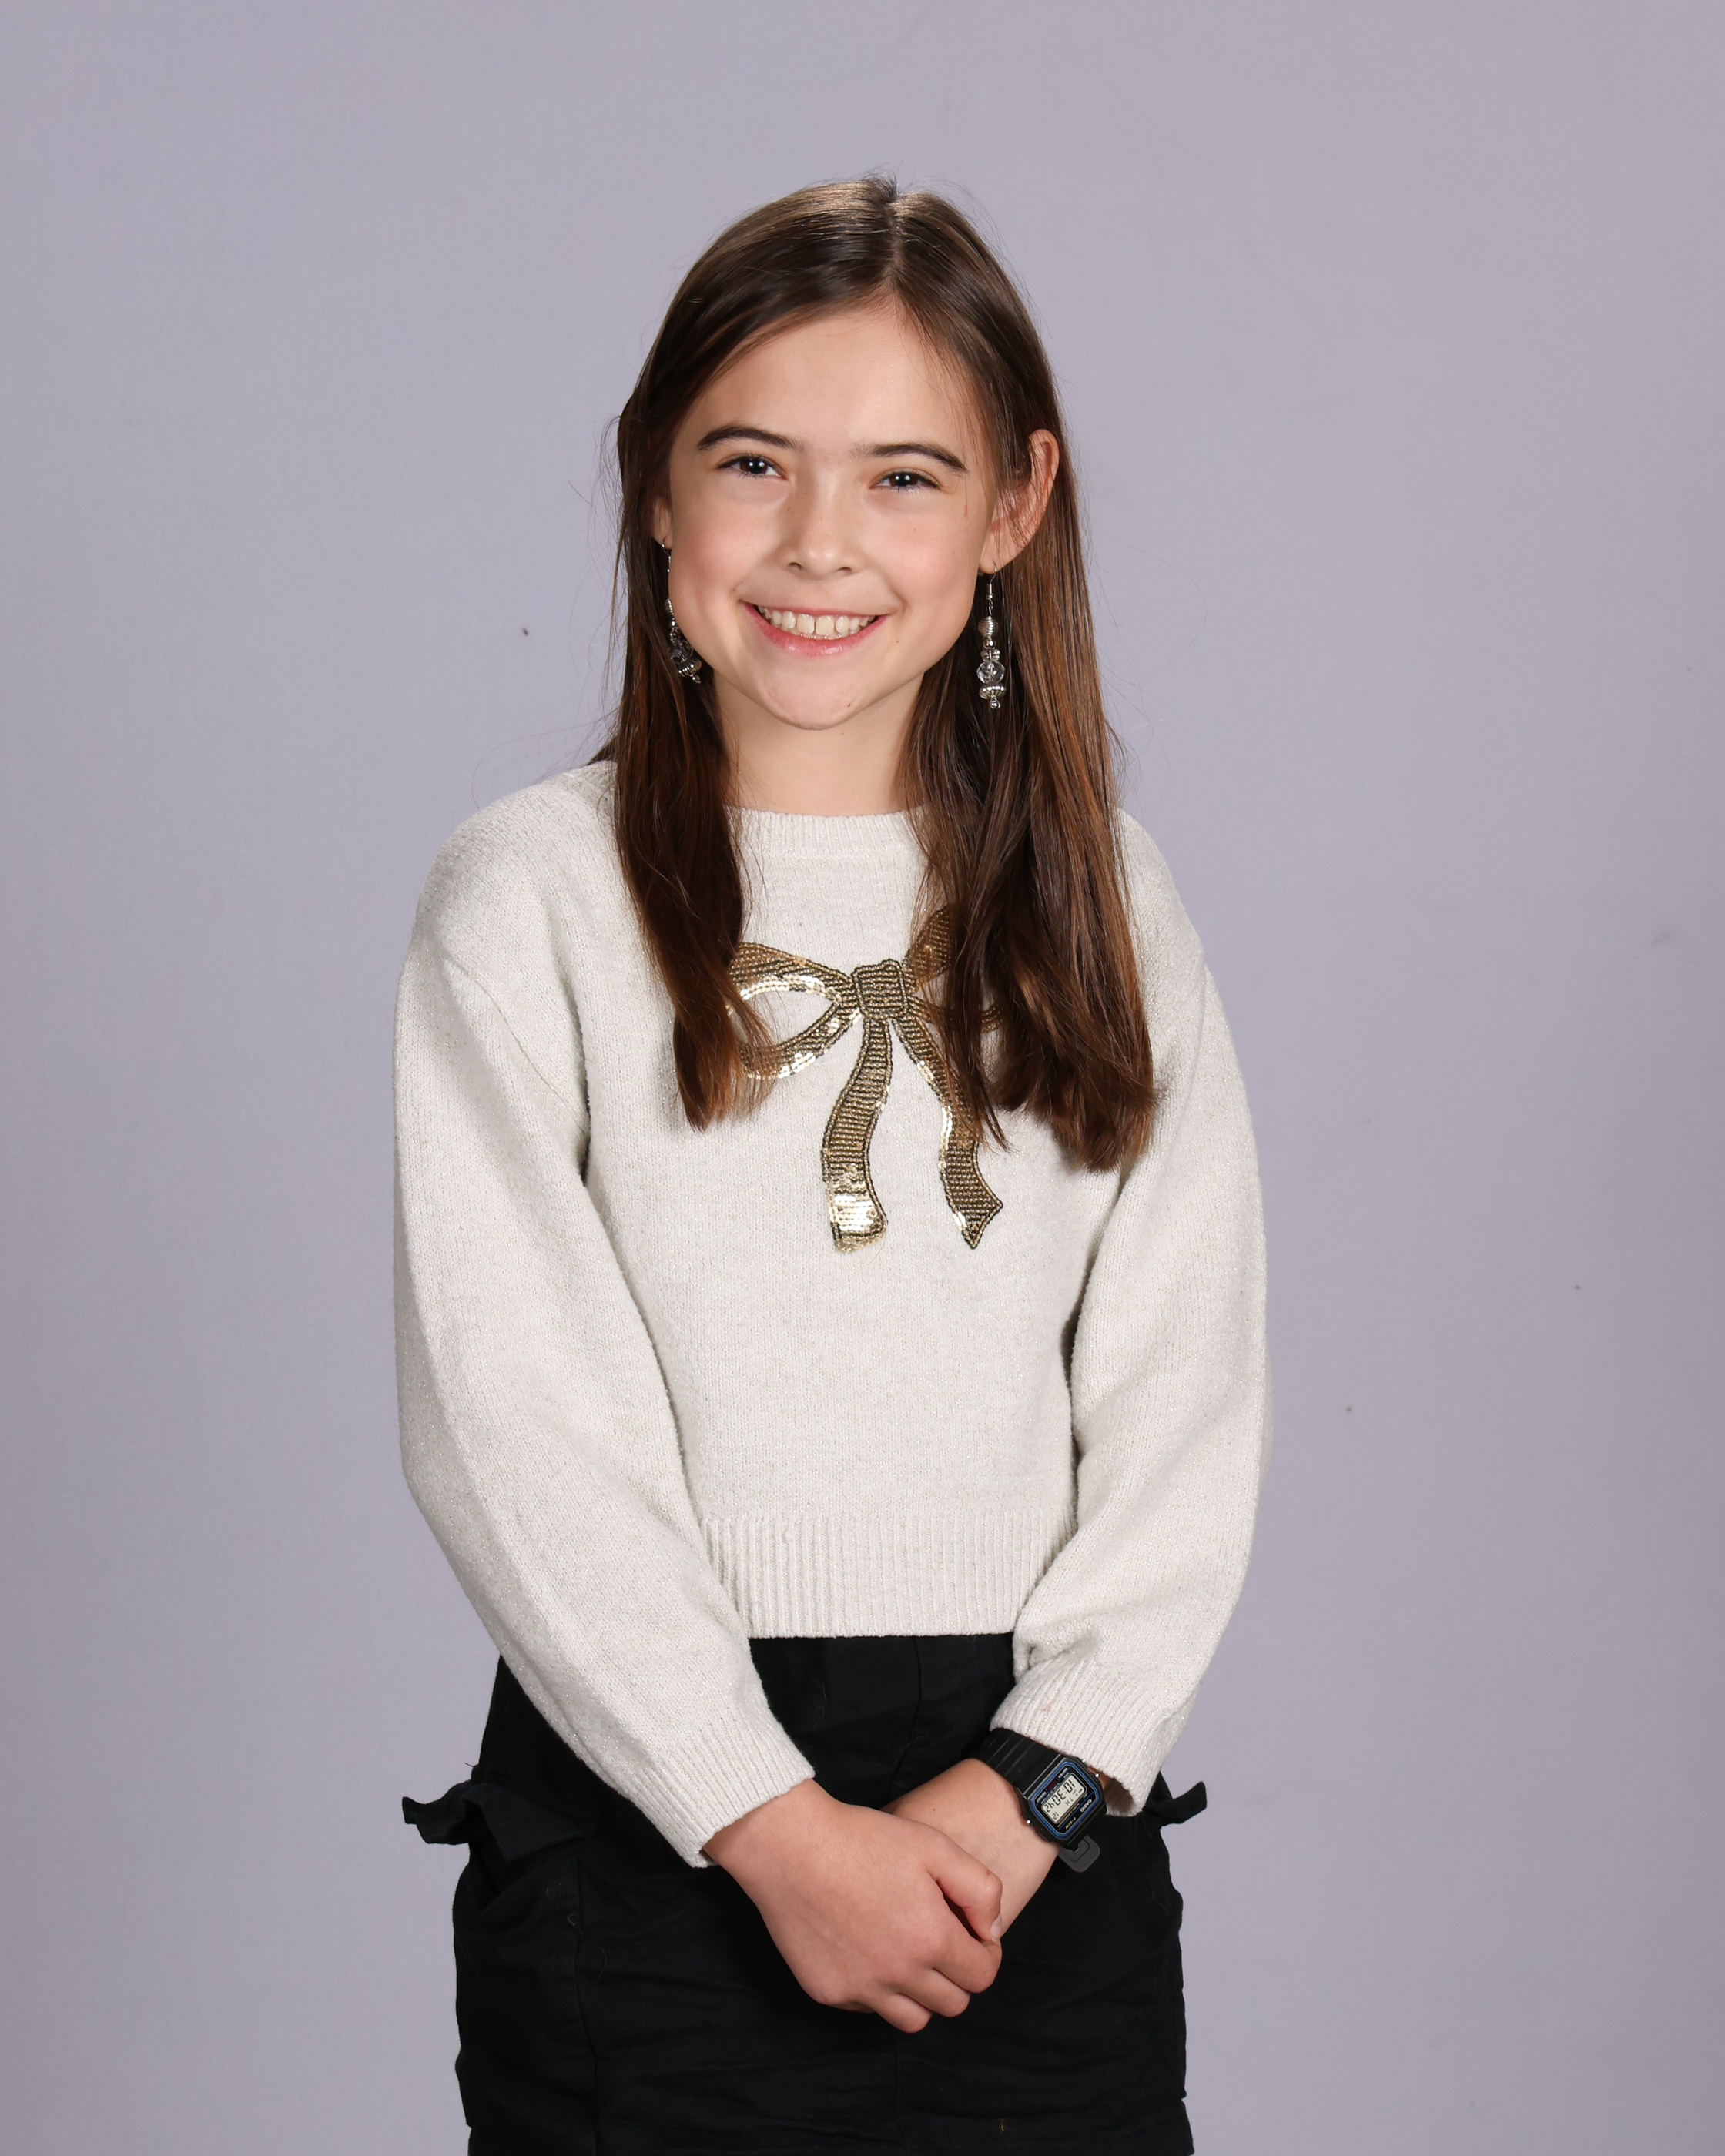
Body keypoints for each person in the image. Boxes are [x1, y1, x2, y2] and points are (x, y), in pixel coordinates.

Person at [397, 175, 1269, 2155]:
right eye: (751, 463)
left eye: (903, 477)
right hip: (647, 1824)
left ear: (1014, 507)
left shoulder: (1106, 898)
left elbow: (1186, 1401)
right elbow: (508, 1415)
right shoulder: (528, 895)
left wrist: (1039, 1781)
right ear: (654, 484)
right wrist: (765, 1818)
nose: (818, 542)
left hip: (1027, 1847)